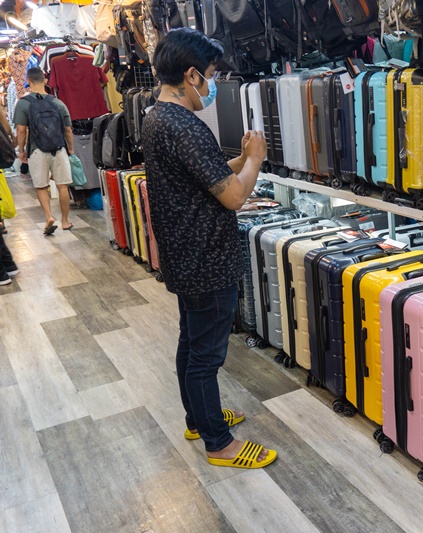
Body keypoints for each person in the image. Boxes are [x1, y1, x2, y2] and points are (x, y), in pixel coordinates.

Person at [141, 28, 275, 469]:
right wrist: (254, 158)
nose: (211, 86)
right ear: (192, 74)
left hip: (184, 254)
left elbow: (207, 174)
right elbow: (234, 196)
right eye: (211, 75)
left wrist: (238, 160)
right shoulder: (185, 126)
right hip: (206, 258)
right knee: (206, 356)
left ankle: (200, 418)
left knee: (191, 342)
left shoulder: (156, 116)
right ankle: (219, 443)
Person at [14, 67, 73, 235]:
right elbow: (68, 129)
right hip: (59, 148)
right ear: (45, 81)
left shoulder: (23, 104)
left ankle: (48, 217)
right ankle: (65, 221)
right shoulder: (58, 102)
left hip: (37, 150)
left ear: (28, 81)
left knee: (41, 186)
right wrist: (70, 148)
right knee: (62, 186)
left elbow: (21, 130)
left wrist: (22, 150)